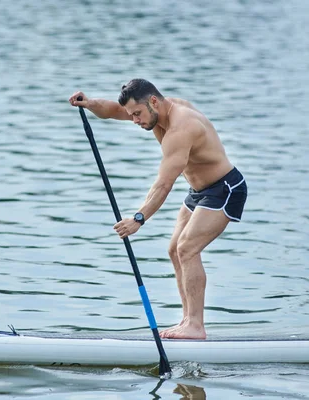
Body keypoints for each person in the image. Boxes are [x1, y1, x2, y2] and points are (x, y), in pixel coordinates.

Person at [69, 79, 247, 339]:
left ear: (153, 102)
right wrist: (89, 104)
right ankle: (187, 321)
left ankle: (196, 326)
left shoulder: (182, 126)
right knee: (174, 250)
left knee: (187, 248)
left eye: (137, 114)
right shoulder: (153, 111)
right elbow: (112, 110)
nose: (135, 121)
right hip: (198, 192)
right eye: (132, 115)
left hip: (225, 189)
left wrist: (138, 219)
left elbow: (164, 184)